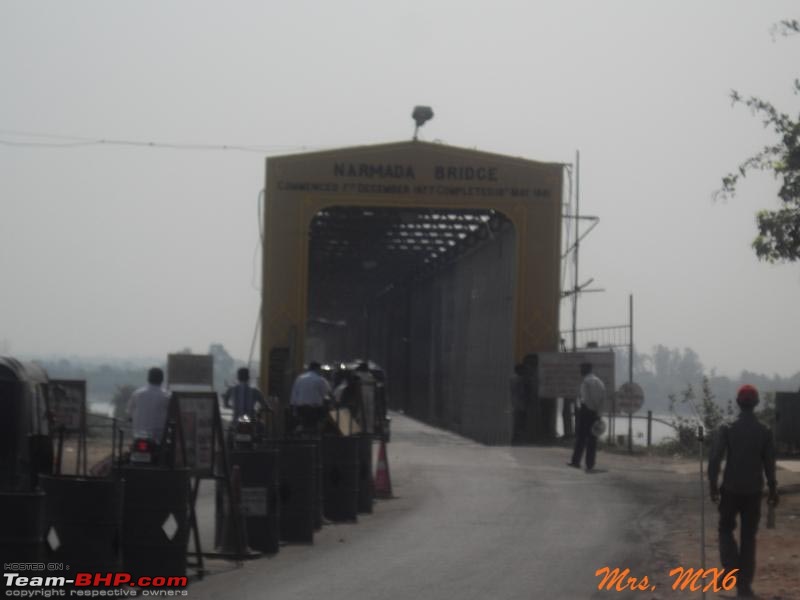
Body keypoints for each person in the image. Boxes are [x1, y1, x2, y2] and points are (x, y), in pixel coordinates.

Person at [708, 384, 778, 598]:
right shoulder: (764, 431)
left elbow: (715, 460)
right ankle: (744, 587)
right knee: (749, 539)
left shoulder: (727, 427)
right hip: (754, 492)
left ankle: (730, 567)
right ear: (756, 404)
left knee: (725, 529)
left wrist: (712, 485)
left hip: (730, 490)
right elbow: (769, 463)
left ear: (738, 403)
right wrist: (773, 489)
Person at [567, 362, 606, 471]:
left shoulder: (587, 382)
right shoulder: (599, 382)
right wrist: (598, 413)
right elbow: (602, 400)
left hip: (587, 411)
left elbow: (588, 398)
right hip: (594, 412)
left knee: (582, 438)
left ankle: (577, 461)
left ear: (587, 369)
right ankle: (589, 463)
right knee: (591, 439)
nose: (580, 370)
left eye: (582, 368)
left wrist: (589, 410)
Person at [127, 367, 171, 442]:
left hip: (138, 435)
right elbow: (171, 415)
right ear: (162, 380)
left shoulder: (137, 394)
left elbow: (130, 413)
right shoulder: (166, 396)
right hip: (158, 436)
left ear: (148, 379)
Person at [289, 361, 332, 434]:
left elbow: (294, 395)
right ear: (317, 369)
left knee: (303, 425)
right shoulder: (320, 380)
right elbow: (325, 394)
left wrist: (293, 409)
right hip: (315, 409)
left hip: (301, 409)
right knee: (316, 425)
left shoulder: (299, 378)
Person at [510, 364, 528, 445]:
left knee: (516, 422)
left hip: (514, 403)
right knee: (519, 422)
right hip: (519, 404)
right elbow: (522, 392)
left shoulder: (512, 378)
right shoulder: (519, 379)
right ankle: (517, 438)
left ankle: (515, 438)